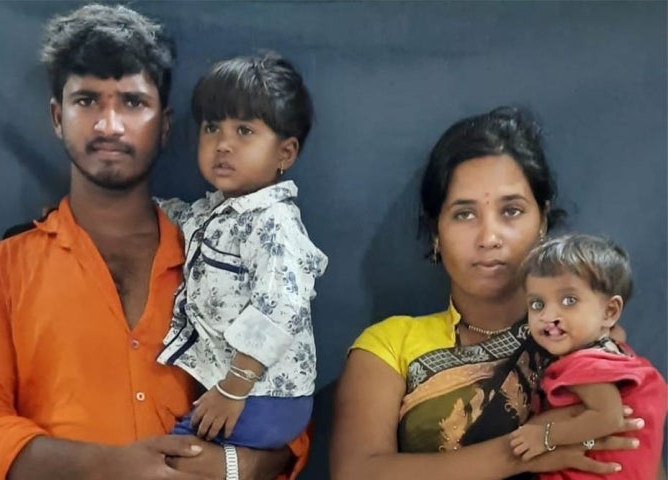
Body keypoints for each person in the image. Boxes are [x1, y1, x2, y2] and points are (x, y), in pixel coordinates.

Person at [0, 5, 308, 480]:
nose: (109, 125)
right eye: (87, 101)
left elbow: (285, 400)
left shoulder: (225, 247)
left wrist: (233, 469)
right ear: (57, 117)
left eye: (133, 103)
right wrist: (111, 466)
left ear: (164, 124)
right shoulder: (0, 271)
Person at [330, 106, 645, 480]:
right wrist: (524, 450)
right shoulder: (390, 346)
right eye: (464, 214)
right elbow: (356, 473)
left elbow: (636, 455)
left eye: (511, 211)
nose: (489, 238)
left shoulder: (585, 338)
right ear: (436, 232)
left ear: (542, 221)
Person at [154, 53, 328, 448]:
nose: (223, 145)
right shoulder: (222, 212)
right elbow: (179, 215)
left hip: (264, 395)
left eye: (244, 131)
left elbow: (280, 307)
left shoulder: (274, 222)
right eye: (212, 128)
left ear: (285, 153)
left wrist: (234, 388)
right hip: (241, 390)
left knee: (171, 460)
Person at [509, 234, 666, 479]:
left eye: (569, 300)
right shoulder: (614, 351)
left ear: (610, 311)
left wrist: (544, 436)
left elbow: (609, 418)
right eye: (537, 304)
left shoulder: (584, 366)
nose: (549, 315)